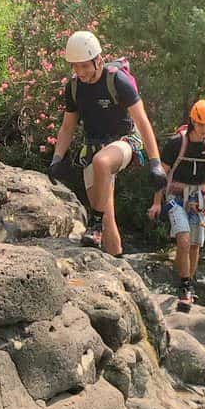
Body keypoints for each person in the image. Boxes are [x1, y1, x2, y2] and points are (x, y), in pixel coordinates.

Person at [48, 31, 168, 257]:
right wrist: (57, 158)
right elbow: (67, 127)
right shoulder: (74, 87)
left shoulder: (117, 81)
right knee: (107, 214)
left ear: (98, 60)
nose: (80, 72)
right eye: (75, 66)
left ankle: (93, 225)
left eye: (85, 66)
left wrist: (155, 163)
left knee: (102, 162)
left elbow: (142, 122)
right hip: (93, 145)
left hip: (125, 142)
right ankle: (116, 261)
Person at [148, 99, 205, 308]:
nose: (204, 130)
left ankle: (189, 285)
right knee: (183, 239)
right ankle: (184, 287)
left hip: (199, 199)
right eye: (201, 125)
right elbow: (161, 173)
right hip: (175, 197)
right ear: (192, 121)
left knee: (194, 245)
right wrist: (156, 203)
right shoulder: (177, 143)